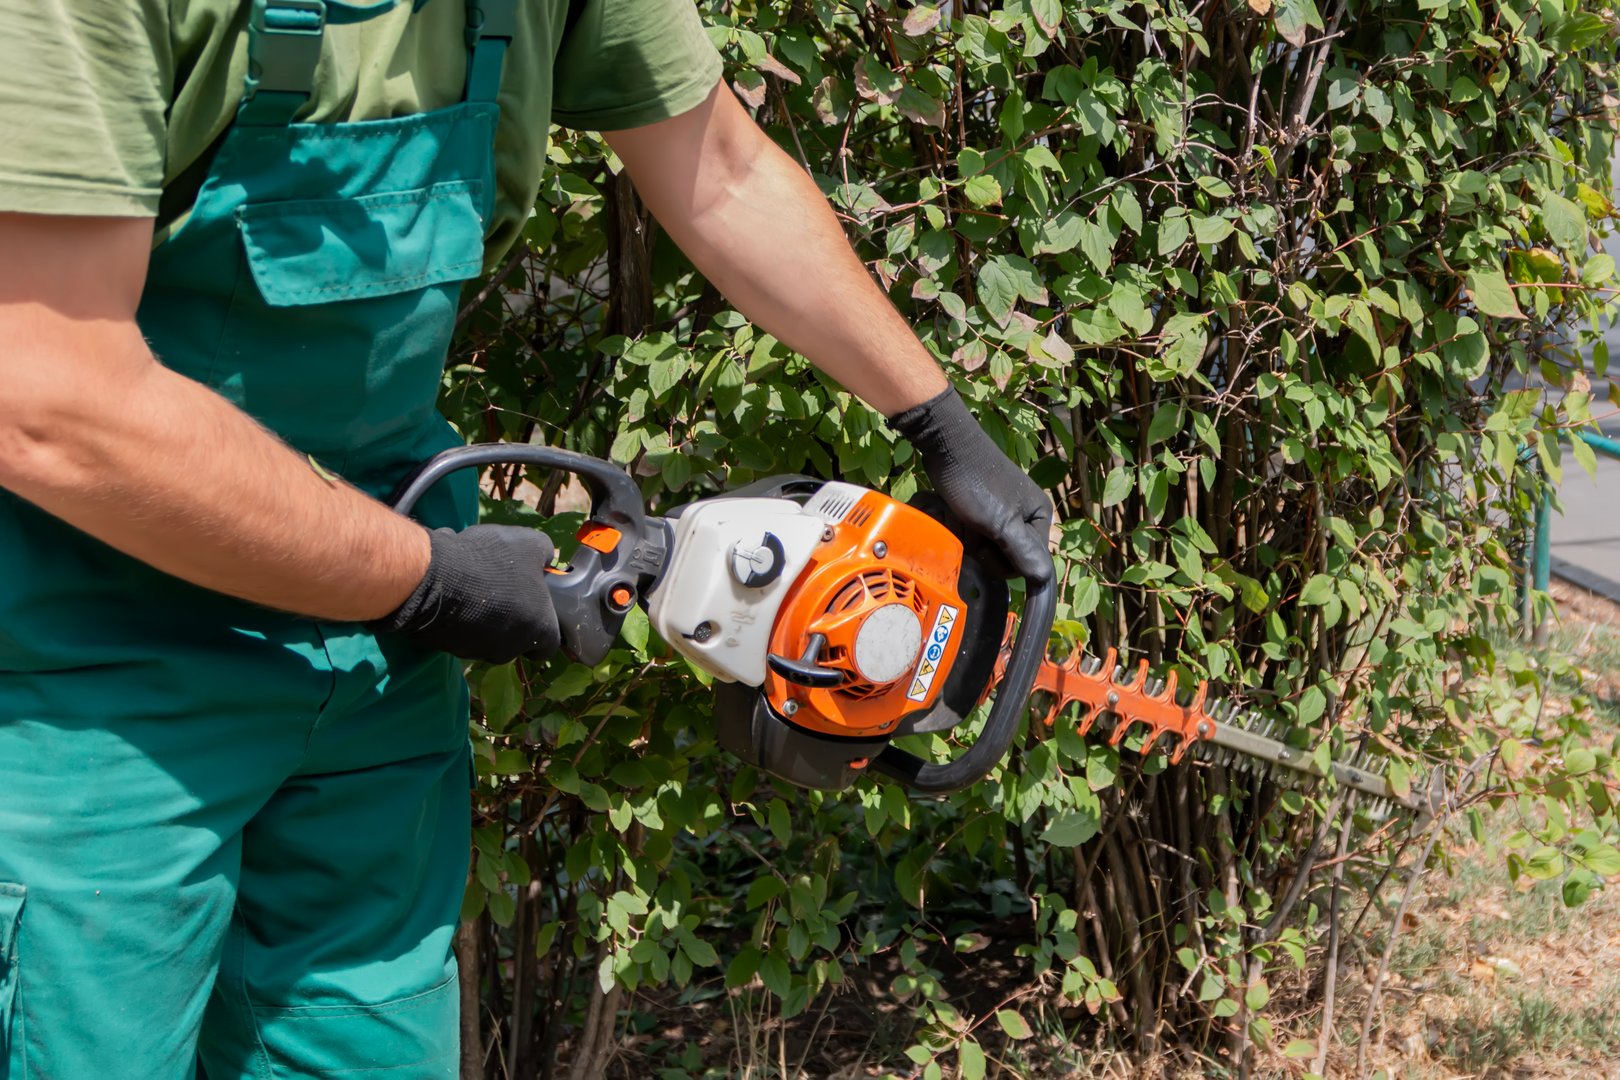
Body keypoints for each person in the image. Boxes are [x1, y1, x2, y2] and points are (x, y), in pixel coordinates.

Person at [0, 1, 1053, 1076]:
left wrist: (941, 425)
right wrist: (425, 580)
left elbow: (721, 170)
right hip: (76, 659)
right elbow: (50, 400)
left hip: (373, 665)